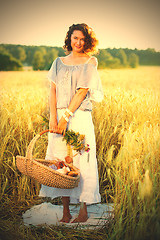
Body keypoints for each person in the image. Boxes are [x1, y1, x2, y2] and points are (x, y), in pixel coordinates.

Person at [39, 23, 103, 223]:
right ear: (69, 39)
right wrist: (54, 118)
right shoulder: (58, 62)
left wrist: (66, 117)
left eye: (83, 39)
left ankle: (83, 211)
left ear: (88, 41)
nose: (79, 42)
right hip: (58, 117)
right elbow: (53, 91)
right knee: (61, 161)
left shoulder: (90, 61)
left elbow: (82, 91)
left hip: (79, 116)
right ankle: (66, 212)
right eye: (75, 38)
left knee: (81, 158)